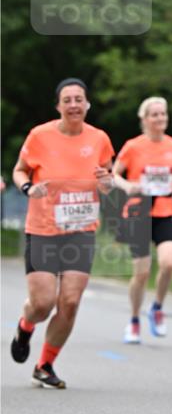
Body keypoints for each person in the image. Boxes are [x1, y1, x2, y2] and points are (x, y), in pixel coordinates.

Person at [9, 79, 114, 389]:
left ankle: (45, 364)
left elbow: (107, 180)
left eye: (79, 99)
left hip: (80, 230)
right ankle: (26, 325)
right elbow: (19, 170)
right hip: (43, 228)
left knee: (69, 302)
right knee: (43, 302)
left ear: (87, 105)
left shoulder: (99, 139)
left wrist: (107, 182)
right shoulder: (40, 136)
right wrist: (29, 188)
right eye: (67, 100)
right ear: (58, 106)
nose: (74, 105)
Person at [112, 97, 172, 343]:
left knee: (169, 264)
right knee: (141, 273)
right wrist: (128, 186)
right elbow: (114, 175)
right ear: (144, 119)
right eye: (155, 115)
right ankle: (133, 320)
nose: (160, 119)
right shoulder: (133, 146)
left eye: (163, 114)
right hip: (139, 214)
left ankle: (157, 308)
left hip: (165, 212)